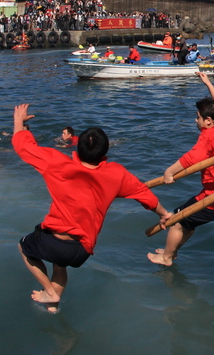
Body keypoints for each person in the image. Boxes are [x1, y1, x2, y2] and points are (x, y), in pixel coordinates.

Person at [12, 103, 170, 312]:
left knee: (24, 248)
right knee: (59, 265)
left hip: (53, 240)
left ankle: (49, 291)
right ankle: (53, 304)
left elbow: (23, 147)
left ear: (77, 149)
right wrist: (164, 214)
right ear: (105, 152)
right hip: (81, 250)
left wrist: (19, 122)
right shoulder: (116, 174)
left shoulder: (57, 163)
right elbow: (146, 196)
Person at [148, 72, 214, 267]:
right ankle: (170, 252)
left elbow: (191, 158)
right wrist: (207, 83)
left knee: (175, 221)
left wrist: (169, 172)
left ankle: (165, 259)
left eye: (198, 117)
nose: (195, 121)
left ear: (208, 120)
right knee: (188, 222)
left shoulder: (208, 136)